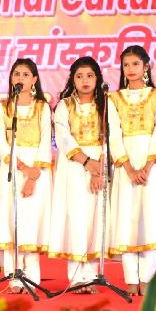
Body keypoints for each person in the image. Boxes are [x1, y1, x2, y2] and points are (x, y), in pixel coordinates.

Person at [108, 45, 156, 296]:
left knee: (150, 219)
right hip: (125, 166)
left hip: (153, 168)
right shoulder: (114, 99)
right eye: (126, 65)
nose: (130, 69)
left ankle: (147, 279)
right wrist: (129, 168)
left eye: (135, 64)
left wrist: (147, 167)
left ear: (146, 67)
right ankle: (131, 280)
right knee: (127, 220)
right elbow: (114, 135)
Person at [0, 58, 53, 294]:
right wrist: (23, 169)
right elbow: (2, 144)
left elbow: (45, 142)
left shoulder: (42, 107)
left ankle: (33, 277)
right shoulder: (4, 108)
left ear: (34, 79)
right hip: (12, 170)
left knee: (32, 222)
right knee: (12, 219)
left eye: (26, 74)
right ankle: (14, 278)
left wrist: (33, 176)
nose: (20, 78)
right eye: (17, 74)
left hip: (38, 171)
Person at [48, 57, 106, 294]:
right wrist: (87, 162)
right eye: (79, 76)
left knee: (94, 218)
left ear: (97, 78)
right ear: (72, 79)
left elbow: (109, 138)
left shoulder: (105, 105)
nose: (85, 81)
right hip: (73, 166)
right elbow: (63, 138)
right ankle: (75, 277)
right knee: (76, 217)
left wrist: (98, 168)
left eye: (90, 76)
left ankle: (91, 276)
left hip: (99, 166)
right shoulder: (64, 105)